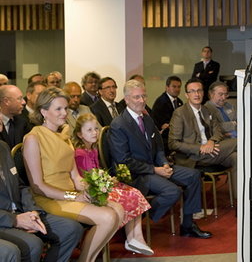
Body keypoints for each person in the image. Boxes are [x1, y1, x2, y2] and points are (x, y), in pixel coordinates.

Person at [23, 87, 124, 262]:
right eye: (59, 109)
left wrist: (93, 190)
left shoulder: (65, 136)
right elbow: (37, 186)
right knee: (108, 217)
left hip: (70, 195)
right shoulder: (33, 138)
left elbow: (76, 177)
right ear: (44, 111)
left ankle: (87, 258)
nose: (65, 113)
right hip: (50, 199)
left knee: (118, 209)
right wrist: (74, 196)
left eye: (65, 108)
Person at [109, 79, 212, 238]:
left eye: (144, 96)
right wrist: (154, 169)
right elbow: (124, 160)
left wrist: (164, 163)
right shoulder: (119, 124)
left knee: (193, 175)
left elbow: (158, 148)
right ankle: (140, 217)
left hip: (155, 168)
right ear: (127, 99)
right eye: (137, 97)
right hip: (137, 174)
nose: (142, 101)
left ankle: (188, 225)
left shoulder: (147, 119)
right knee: (172, 191)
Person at [72, 113, 154, 255]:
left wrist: (109, 179)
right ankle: (131, 238)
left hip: (100, 184)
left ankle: (136, 236)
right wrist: (105, 182)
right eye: (89, 130)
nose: (95, 133)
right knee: (126, 198)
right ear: (80, 134)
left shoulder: (93, 148)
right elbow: (86, 178)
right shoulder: (80, 153)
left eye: (96, 129)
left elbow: (97, 171)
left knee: (134, 192)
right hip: (90, 191)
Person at [0, 138, 84, 262]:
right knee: (32, 244)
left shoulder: (3, 146)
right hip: (4, 219)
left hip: (21, 210)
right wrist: (15, 220)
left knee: (71, 229)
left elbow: (21, 186)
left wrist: (33, 211)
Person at [169, 79, 237, 198]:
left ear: (203, 93)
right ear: (186, 95)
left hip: (213, 151)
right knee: (241, 142)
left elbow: (218, 131)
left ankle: (239, 200)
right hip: (194, 156)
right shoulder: (180, 113)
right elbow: (173, 143)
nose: (197, 94)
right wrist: (201, 147)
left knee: (237, 157)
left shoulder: (207, 110)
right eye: (192, 91)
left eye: (199, 90)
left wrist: (211, 141)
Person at [151, 75, 184, 155]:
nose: (177, 89)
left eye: (179, 87)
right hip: (164, 137)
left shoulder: (180, 102)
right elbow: (160, 123)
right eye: (174, 86)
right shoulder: (161, 102)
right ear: (167, 87)